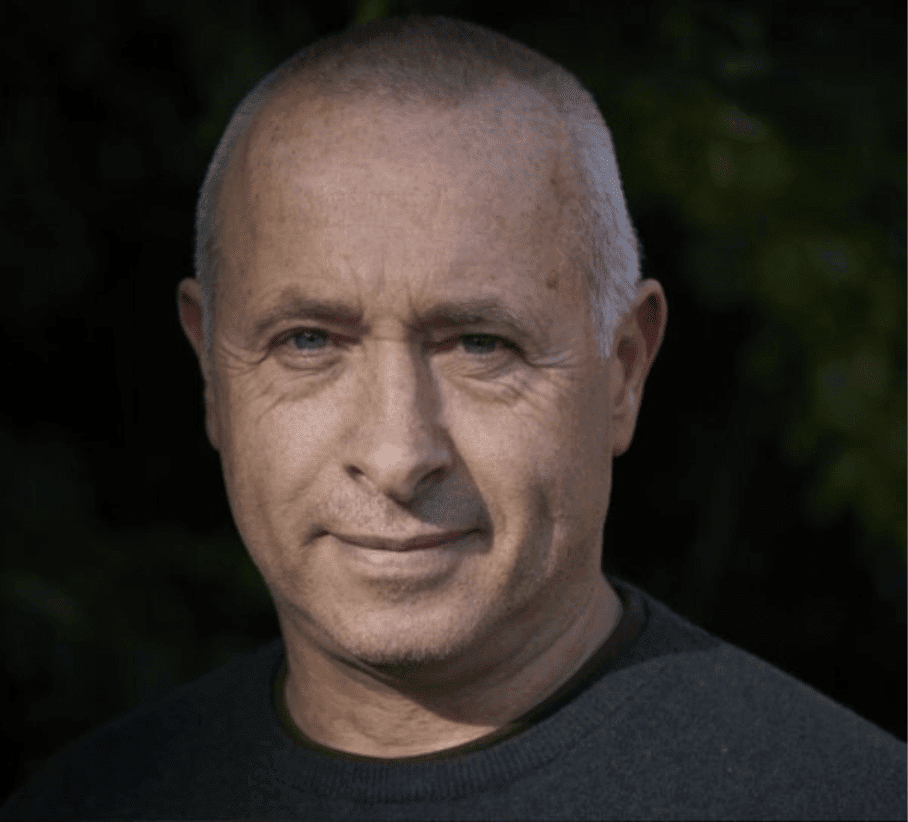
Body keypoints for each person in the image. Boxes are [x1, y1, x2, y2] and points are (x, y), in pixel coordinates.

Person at [2, 15, 903, 821]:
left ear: (623, 373)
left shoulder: (845, 802)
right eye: (309, 341)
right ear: (211, 372)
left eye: (480, 345)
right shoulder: (89, 802)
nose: (397, 454)